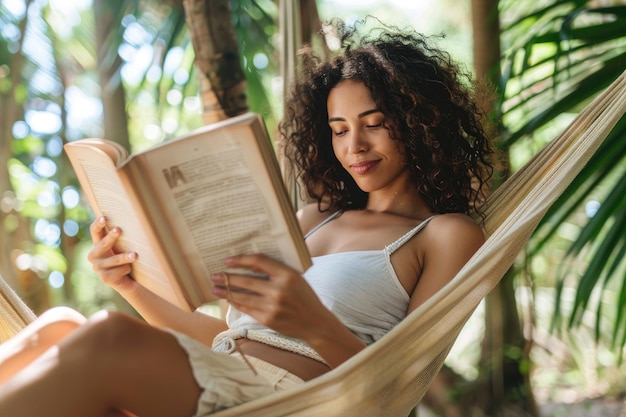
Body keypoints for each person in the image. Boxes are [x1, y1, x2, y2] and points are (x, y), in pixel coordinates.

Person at [0, 19, 494, 417]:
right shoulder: (311, 219)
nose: (354, 147)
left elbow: (399, 388)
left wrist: (315, 323)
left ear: (419, 124)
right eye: (339, 130)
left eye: (374, 125)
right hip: (224, 376)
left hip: (294, 400)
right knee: (60, 325)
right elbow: (225, 340)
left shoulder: (446, 235)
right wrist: (130, 285)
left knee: (108, 335)